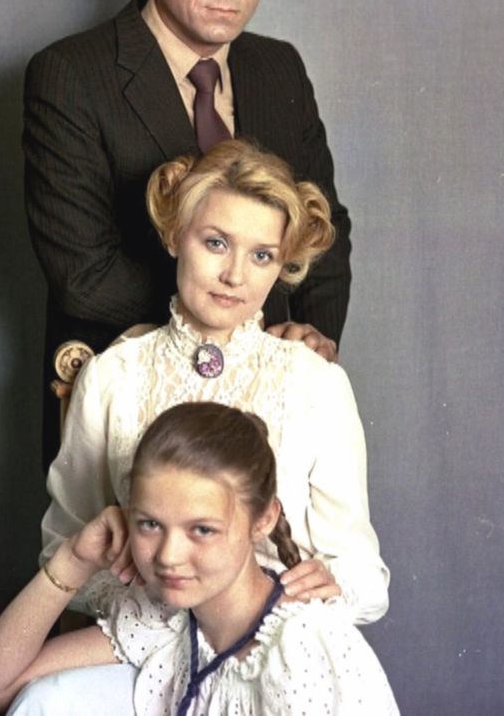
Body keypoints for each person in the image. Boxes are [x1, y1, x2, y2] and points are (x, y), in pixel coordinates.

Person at [23, 0, 352, 467]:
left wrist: (310, 342)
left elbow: (324, 227)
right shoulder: (71, 74)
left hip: (270, 393)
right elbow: (83, 273)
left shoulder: (279, 67)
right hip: (132, 399)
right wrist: (235, 333)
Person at [42, 140, 388, 627]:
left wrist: (334, 585)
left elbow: (364, 577)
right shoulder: (112, 376)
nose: (234, 275)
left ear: (282, 265)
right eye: (216, 243)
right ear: (175, 235)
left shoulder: (316, 382)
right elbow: (63, 550)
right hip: (144, 639)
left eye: (262, 255)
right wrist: (141, 599)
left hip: (276, 633)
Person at [0, 402, 399, 715]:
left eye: (202, 530)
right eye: (150, 524)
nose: (168, 556)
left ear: (263, 519)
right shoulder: (167, 622)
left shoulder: (303, 650)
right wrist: (73, 559)